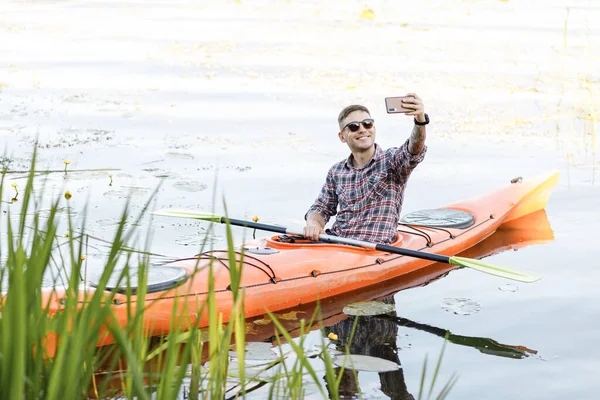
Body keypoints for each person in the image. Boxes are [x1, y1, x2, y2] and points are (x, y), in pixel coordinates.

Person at [303, 93, 429, 244]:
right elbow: (321, 208)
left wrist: (420, 121)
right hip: (337, 243)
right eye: (354, 126)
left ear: (373, 128)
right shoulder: (336, 171)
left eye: (367, 123)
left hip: (373, 250)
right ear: (342, 136)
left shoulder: (392, 161)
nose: (362, 129)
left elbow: (414, 149)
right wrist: (314, 225)